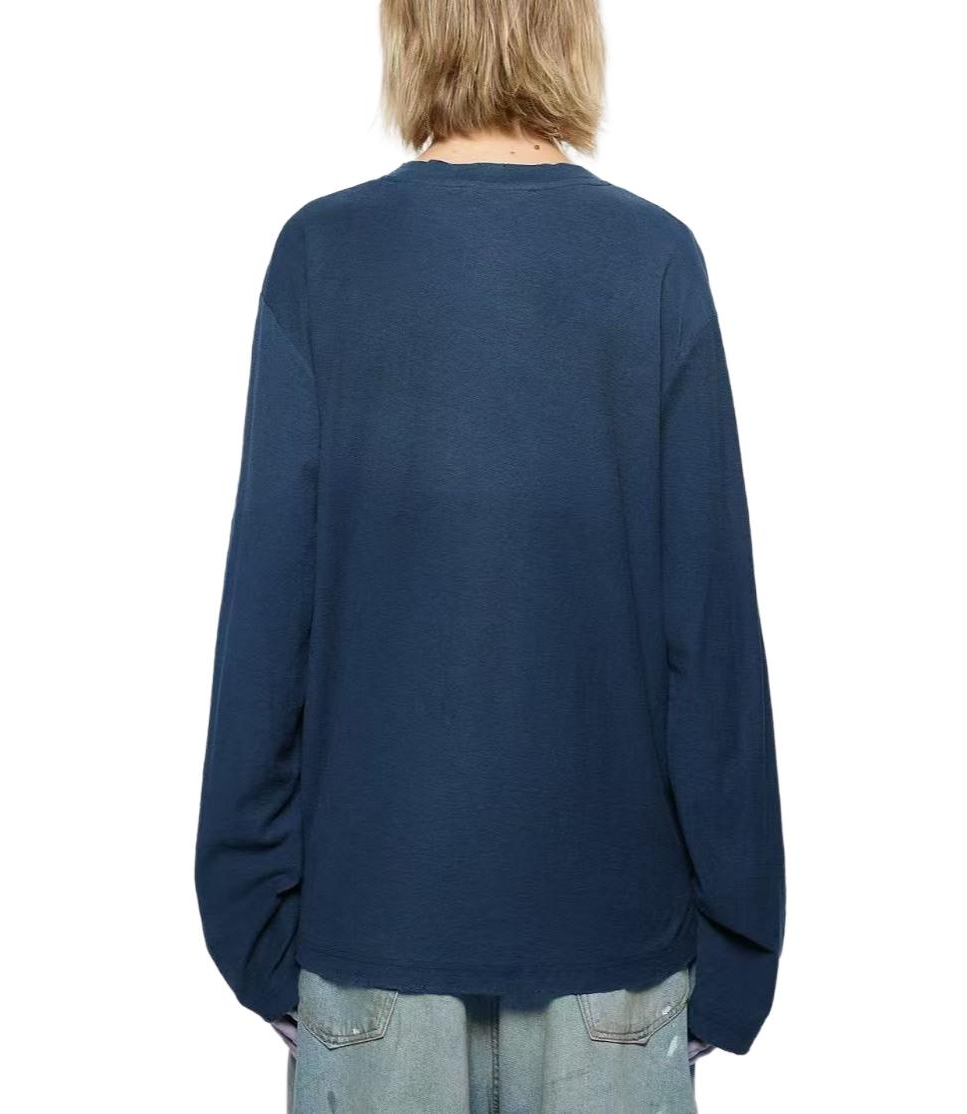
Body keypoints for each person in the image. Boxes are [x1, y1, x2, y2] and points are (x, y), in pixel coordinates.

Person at [194, 1, 786, 1110]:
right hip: (613, 953)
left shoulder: (324, 256)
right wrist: (741, 939)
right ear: (573, 31)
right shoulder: (652, 260)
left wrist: (251, 919)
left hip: (373, 934)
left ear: (408, 31)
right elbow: (708, 631)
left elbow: (269, 616)